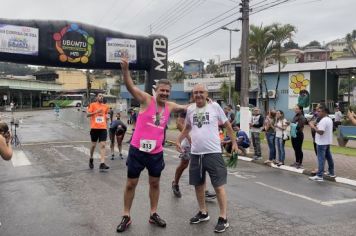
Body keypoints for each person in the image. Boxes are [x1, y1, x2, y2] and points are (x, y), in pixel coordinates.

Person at [116, 58, 188, 233]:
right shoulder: (147, 100)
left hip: (155, 153)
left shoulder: (169, 106)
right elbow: (131, 87)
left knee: (154, 183)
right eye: (162, 90)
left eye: (167, 91)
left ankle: (153, 214)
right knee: (131, 183)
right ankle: (126, 215)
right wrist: (126, 71)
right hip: (137, 151)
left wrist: (205, 103)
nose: (164, 93)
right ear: (156, 90)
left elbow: (186, 107)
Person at [176, 83, 238, 233]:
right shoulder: (190, 109)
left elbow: (227, 125)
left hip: (213, 153)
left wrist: (234, 142)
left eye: (201, 92)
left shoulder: (215, 107)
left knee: (218, 186)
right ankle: (203, 212)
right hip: (196, 154)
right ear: (193, 95)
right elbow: (188, 127)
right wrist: (179, 140)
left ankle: (223, 218)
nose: (198, 95)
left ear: (206, 93)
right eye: (195, 92)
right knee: (198, 185)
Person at [172, 111, 217, 200]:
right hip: (188, 144)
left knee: (202, 166)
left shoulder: (206, 108)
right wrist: (189, 138)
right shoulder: (188, 109)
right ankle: (175, 183)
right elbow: (179, 124)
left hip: (201, 143)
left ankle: (204, 191)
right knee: (184, 164)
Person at [309, 105, 335, 181]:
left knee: (321, 159)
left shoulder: (324, 120)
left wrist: (312, 126)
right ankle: (331, 173)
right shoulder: (329, 119)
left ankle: (319, 176)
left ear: (324, 112)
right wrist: (316, 125)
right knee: (329, 158)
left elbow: (321, 132)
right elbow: (322, 129)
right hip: (326, 142)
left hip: (321, 143)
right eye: (317, 111)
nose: (317, 112)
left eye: (319, 111)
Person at [87, 93, 110, 170]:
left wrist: (107, 117)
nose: (101, 97)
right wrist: (96, 112)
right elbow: (87, 114)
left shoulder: (106, 106)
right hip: (94, 128)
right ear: (97, 97)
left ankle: (102, 163)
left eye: (102, 96)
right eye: (100, 96)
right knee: (93, 145)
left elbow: (106, 115)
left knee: (103, 145)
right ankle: (91, 158)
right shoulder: (92, 105)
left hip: (103, 128)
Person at [290, 105, 306, 169]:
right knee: (295, 149)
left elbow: (298, 126)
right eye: (295, 108)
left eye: (297, 109)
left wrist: (291, 124)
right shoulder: (296, 116)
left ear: (300, 110)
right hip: (293, 134)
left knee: (299, 149)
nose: (295, 110)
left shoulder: (302, 117)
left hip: (299, 134)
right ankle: (296, 162)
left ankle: (300, 163)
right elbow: (294, 124)